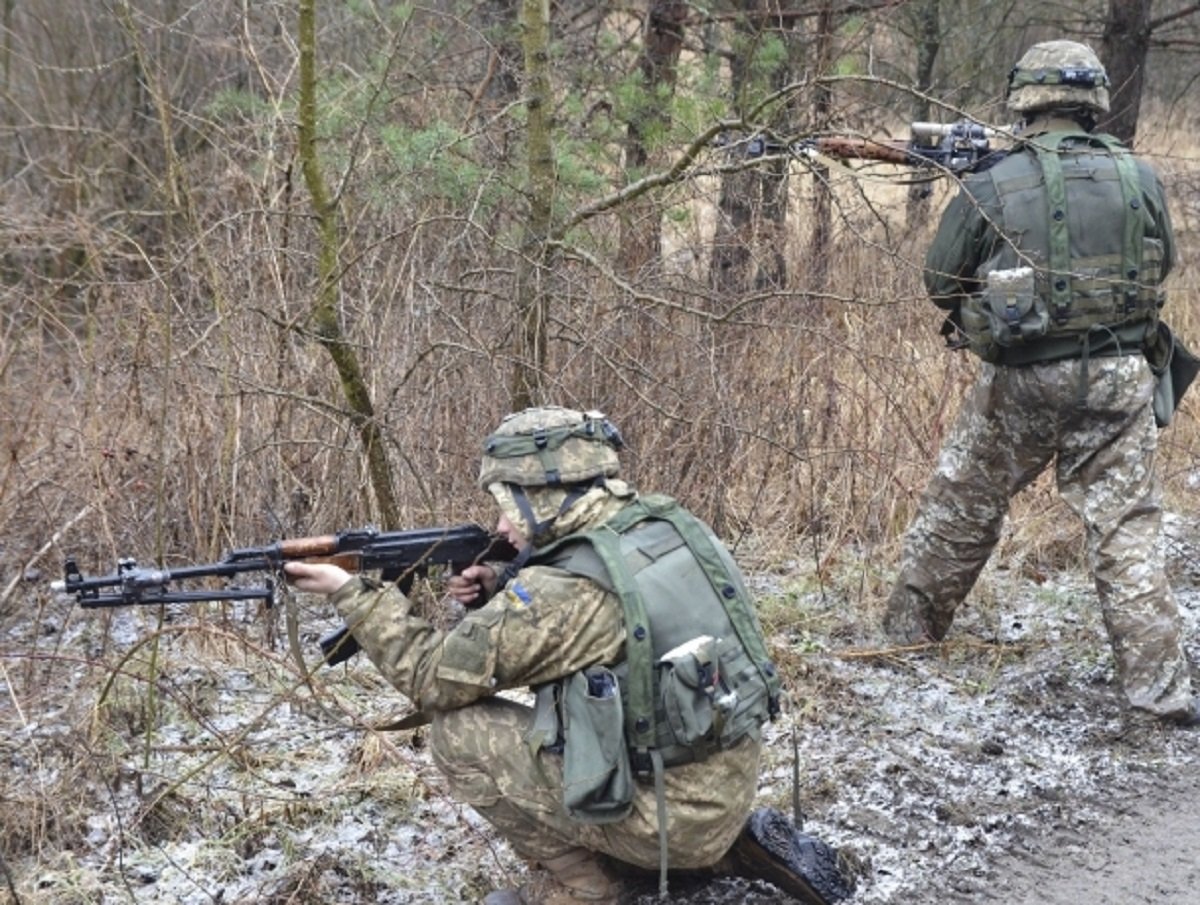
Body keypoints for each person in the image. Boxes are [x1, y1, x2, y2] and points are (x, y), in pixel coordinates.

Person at [286, 406, 854, 905]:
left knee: (457, 733)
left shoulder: (566, 594)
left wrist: (349, 594)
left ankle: (586, 887)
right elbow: (607, 625)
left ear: (547, 496)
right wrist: (501, 584)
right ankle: (720, 849)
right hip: (721, 784)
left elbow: (433, 679)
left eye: (509, 504)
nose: (503, 525)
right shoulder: (663, 524)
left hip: (671, 815)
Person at [882, 40, 1198, 727]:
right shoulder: (1138, 175)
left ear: (1024, 99)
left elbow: (940, 280)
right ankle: (1159, 689)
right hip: (1119, 377)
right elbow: (1163, 263)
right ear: (1093, 102)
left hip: (1021, 379)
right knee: (1127, 528)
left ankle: (905, 639)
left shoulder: (995, 181)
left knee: (962, 502)